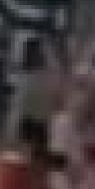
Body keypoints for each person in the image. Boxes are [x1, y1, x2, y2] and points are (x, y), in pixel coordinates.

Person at [7, 35, 63, 165]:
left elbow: (18, 106)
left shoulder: (27, 76)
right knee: (33, 157)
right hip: (33, 122)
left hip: (36, 122)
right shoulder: (31, 76)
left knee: (34, 157)